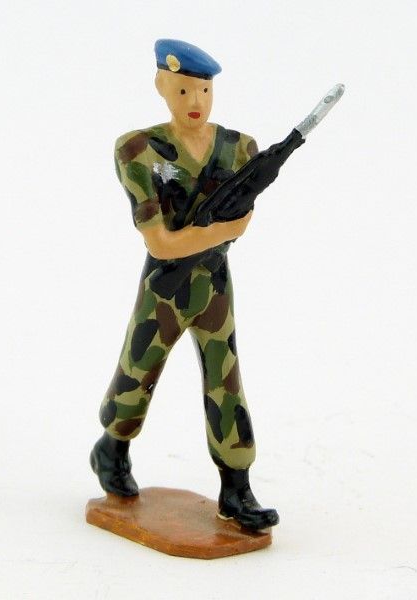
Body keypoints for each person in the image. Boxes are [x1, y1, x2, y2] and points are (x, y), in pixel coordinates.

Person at [89, 38, 279, 530]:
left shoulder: (240, 149)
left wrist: (208, 234)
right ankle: (112, 450)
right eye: (182, 90)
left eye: (204, 90)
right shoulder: (138, 149)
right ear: (161, 86)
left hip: (213, 284)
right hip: (164, 289)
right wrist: (220, 230)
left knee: (226, 382)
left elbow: (242, 222)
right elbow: (160, 244)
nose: (196, 102)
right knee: (138, 369)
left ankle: (236, 488)